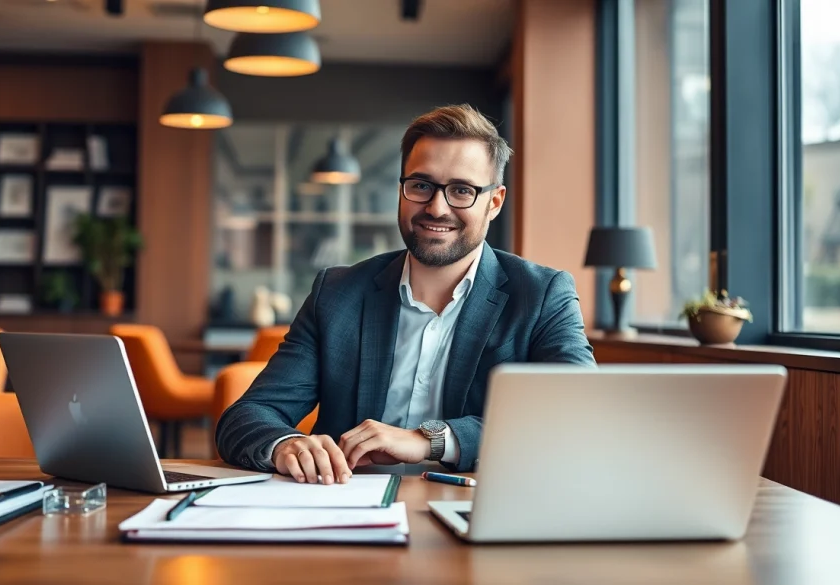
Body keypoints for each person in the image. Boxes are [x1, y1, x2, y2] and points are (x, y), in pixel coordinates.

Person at [216, 104, 596, 484]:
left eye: (461, 190)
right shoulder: (336, 293)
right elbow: (247, 416)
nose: (436, 207)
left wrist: (431, 440)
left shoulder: (543, 293)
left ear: (494, 202)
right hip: (348, 516)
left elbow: (579, 413)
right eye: (421, 185)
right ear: (401, 189)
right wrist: (286, 444)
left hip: (475, 511)